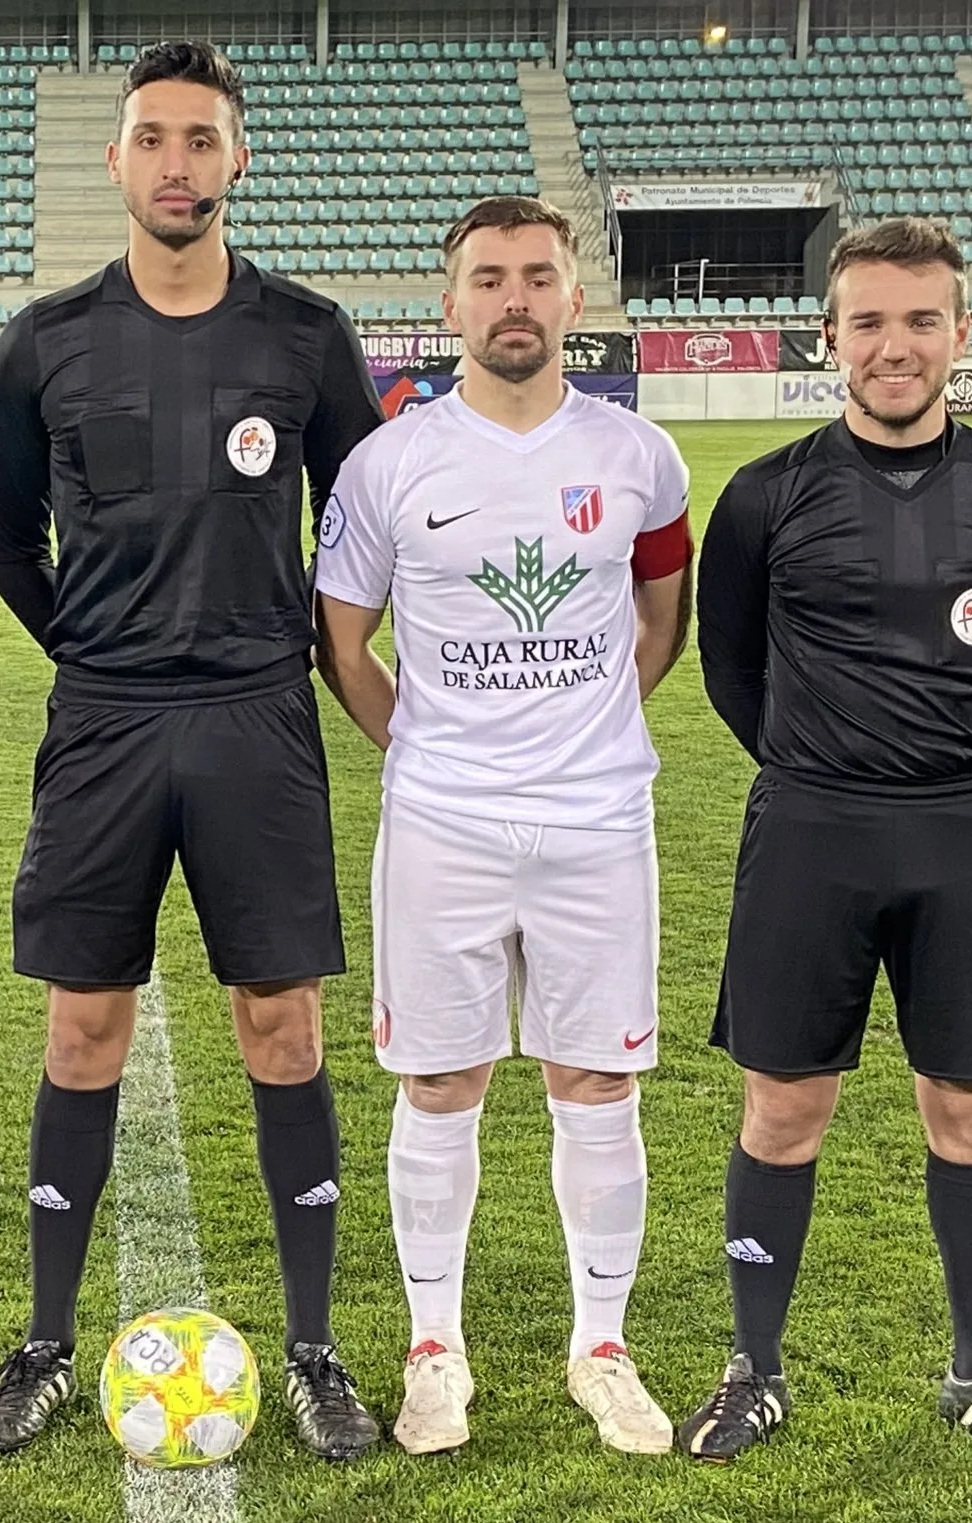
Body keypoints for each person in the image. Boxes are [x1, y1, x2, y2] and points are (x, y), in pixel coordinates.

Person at [0, 39, 386, 1460]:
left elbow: (367, 530)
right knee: (83, 1027)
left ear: (237, 158)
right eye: (153, 138)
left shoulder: (308, 337)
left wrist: (295, 653)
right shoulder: (47, 340)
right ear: (118, 160)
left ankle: (319, 1347)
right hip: (104, 719)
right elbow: (7, 538)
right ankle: (39, 1342)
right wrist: (94, 648)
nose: (178, 164)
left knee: (283, 1024)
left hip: (259, 717)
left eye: (202, 140)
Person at [680, 216, 972, 1468]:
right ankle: (754, 1366)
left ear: (961, 334)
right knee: (782, 1104)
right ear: (829, 339)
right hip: (807, 826)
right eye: (867, 321)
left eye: (920, 320)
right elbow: (732, 666)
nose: (894, 345)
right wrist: (828, 764)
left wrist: (940, 756)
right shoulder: (764, 494)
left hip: (964, 826)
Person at [315, 196, 693, 1458]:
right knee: (440, 1080)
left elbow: (659, 618)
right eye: (488, 279)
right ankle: (436, 1351)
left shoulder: (639, 455)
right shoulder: (388, 462)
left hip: (597, 822)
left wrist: (580, 731)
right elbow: (343, 640)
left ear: (574, 297)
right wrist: (424, 747)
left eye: (537, 275)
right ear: (450, 304)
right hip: (441, 825)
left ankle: (600, 1344)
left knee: (598, 1079)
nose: (513, 299)